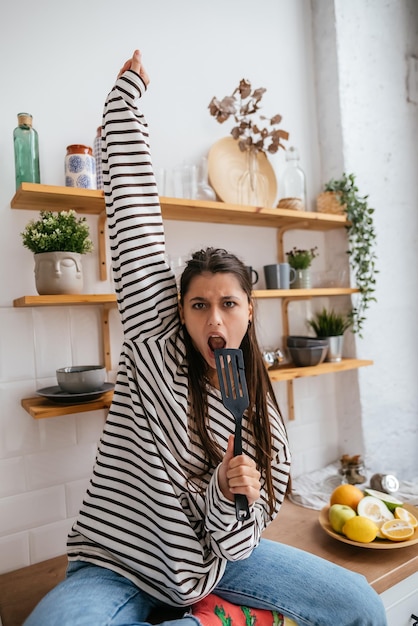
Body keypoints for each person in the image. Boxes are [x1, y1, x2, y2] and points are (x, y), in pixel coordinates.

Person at [24, 50, 388, 626]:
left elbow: (240, 544)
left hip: (217, 563)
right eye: (198, 305)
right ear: (180, 311)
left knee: (361, 607)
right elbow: (136, 220)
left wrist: (225, 490)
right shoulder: (154, 345)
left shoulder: (260, 414)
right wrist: (126, 103)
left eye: (227, 304)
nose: (213, 320)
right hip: (118, 562)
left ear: (249, 310)